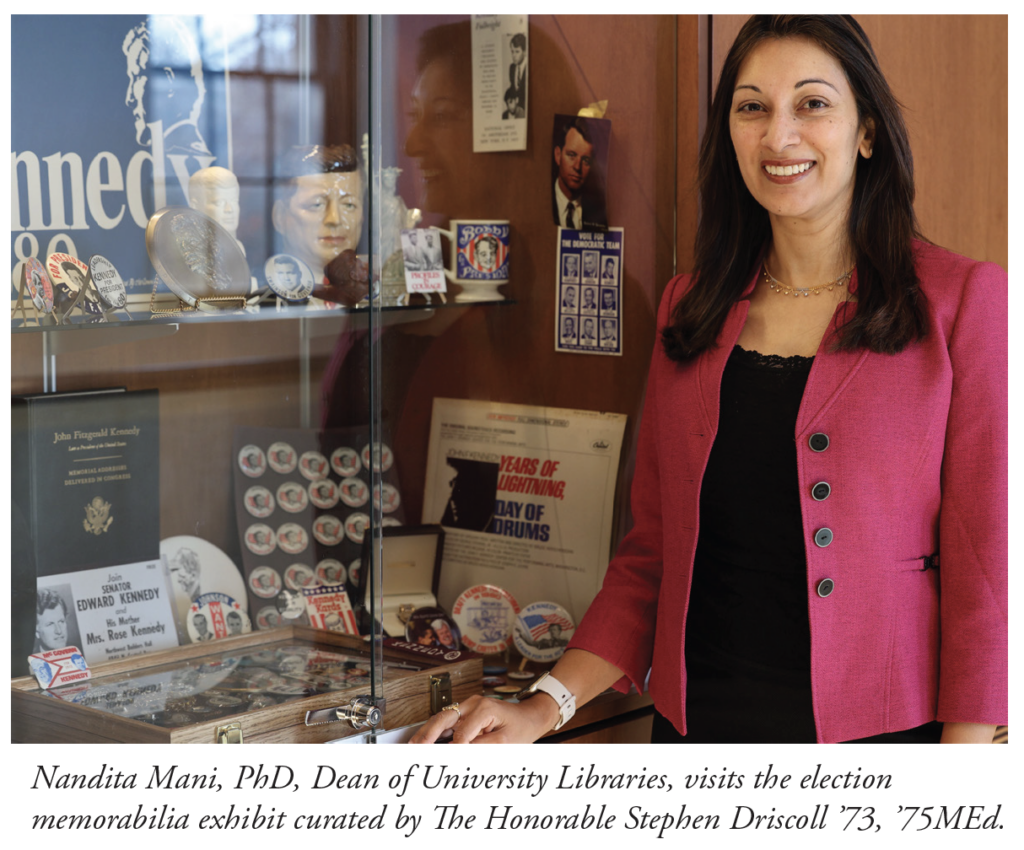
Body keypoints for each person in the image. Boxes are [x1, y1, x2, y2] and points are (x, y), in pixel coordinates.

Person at [413, 15, 1006, 745]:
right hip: (699, 737)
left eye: (812, 104)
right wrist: (544, 707)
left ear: (868, 132)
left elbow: (990, 574)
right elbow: (650, 555)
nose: (779, 135)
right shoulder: (690, 308)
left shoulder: (964, 304)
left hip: (884, 743)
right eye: (752, 107)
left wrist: (956, 785)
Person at [273, 144, 365, 278]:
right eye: (316, 205)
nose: (335, 219)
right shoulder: (257, 292)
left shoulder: (372, 291)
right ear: (280, 217)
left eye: (349, 205)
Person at [552, 116, 607, 230]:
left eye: (586, 160)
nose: (577, 167)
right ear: (558, 156)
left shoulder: (598, 212)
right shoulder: (541, 202)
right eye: (571, 155)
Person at [189, 166, 243, 253]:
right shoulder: (190, 252)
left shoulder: (238, 248)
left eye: (234, 201)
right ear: (195, 206)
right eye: (219, 203)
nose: (229, 209)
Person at [508, 32, 527, 113]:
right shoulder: (512, 68)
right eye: (512, 51)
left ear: (524, 51)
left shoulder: (528, 69)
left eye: (517, 51)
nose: (514, 55)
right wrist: (508, 100)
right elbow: (512, 88)